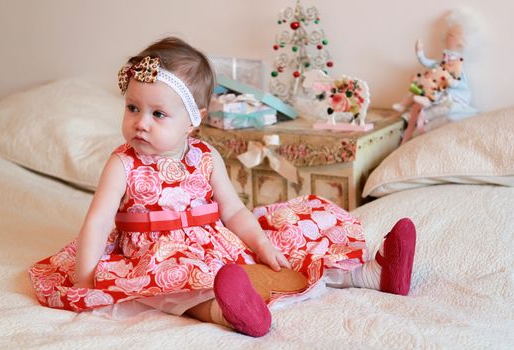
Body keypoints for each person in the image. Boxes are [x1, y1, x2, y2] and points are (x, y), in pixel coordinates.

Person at [29, 36, 417, 337]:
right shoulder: (122, 163)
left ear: (192, 121)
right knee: (182, 289)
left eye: (158, 113)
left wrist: (261, 244)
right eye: (133, 108)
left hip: (219, 243)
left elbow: (232, 211)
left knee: (287, 240)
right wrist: (85, 280)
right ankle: (232, 314)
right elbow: (97, 223)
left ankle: (368, 274)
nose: (140, 123)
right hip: (159, 255)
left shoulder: (205, 155)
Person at [394, 8, 482, 144]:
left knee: (440, 106)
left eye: (452, 35)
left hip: (451, 95)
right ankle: (408, 112)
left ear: (462, 43)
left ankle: (423, 112)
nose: (448, 36)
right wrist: (419, 53)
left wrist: (453, 82)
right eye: (448, 34)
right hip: (436, 90)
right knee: (419, 93)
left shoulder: (457, 64)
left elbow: (460, 81)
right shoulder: (441, 63)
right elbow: (428, 63)